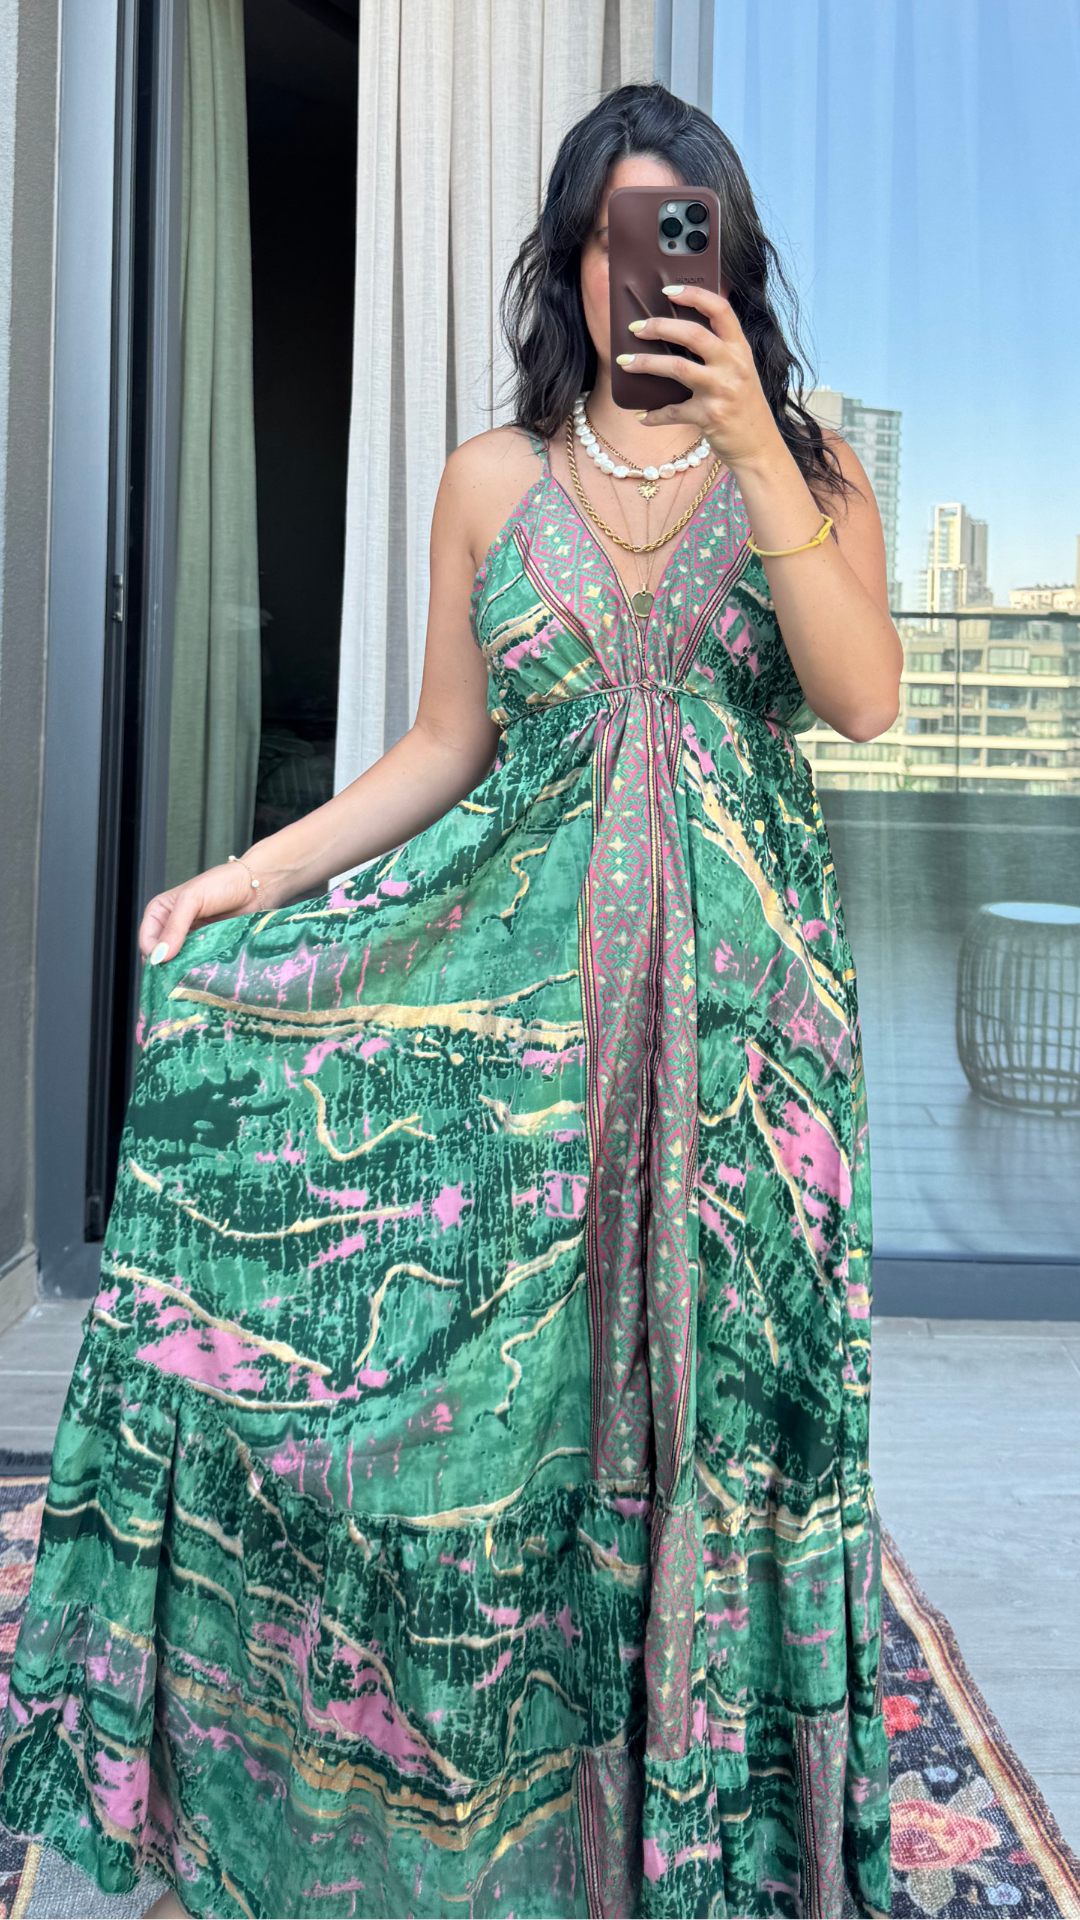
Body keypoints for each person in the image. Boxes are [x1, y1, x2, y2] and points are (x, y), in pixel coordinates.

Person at [0, 83, 901, 1920]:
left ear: (731, 259)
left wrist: (753, 448)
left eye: (690, 235)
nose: (656, 271)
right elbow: (438, 746)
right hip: (525, 1044)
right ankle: (489, 1820)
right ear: (572, 259)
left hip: (752, 1053)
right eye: (623, 236)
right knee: (504, 1423)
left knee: (735, 1424)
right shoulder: (493, 481)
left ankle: (716, 1843)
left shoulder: (809, 471)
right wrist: (254, 876)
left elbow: (863, 700)